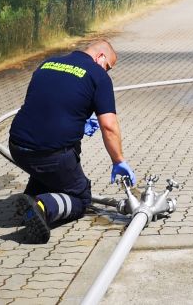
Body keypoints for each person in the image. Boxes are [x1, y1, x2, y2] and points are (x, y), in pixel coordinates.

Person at [8, 38, 135, 243]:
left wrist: (78, 122)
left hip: (18, 147)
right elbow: (109, 126)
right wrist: (118, 160)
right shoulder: (98, 76)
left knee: (53, 169)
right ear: (101, 57)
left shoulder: (48, 63)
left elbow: (46, 103)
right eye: (108, 67)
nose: (107, 72)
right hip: (50, 155)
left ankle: (30, 197)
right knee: (81, 197)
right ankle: (43, 207)